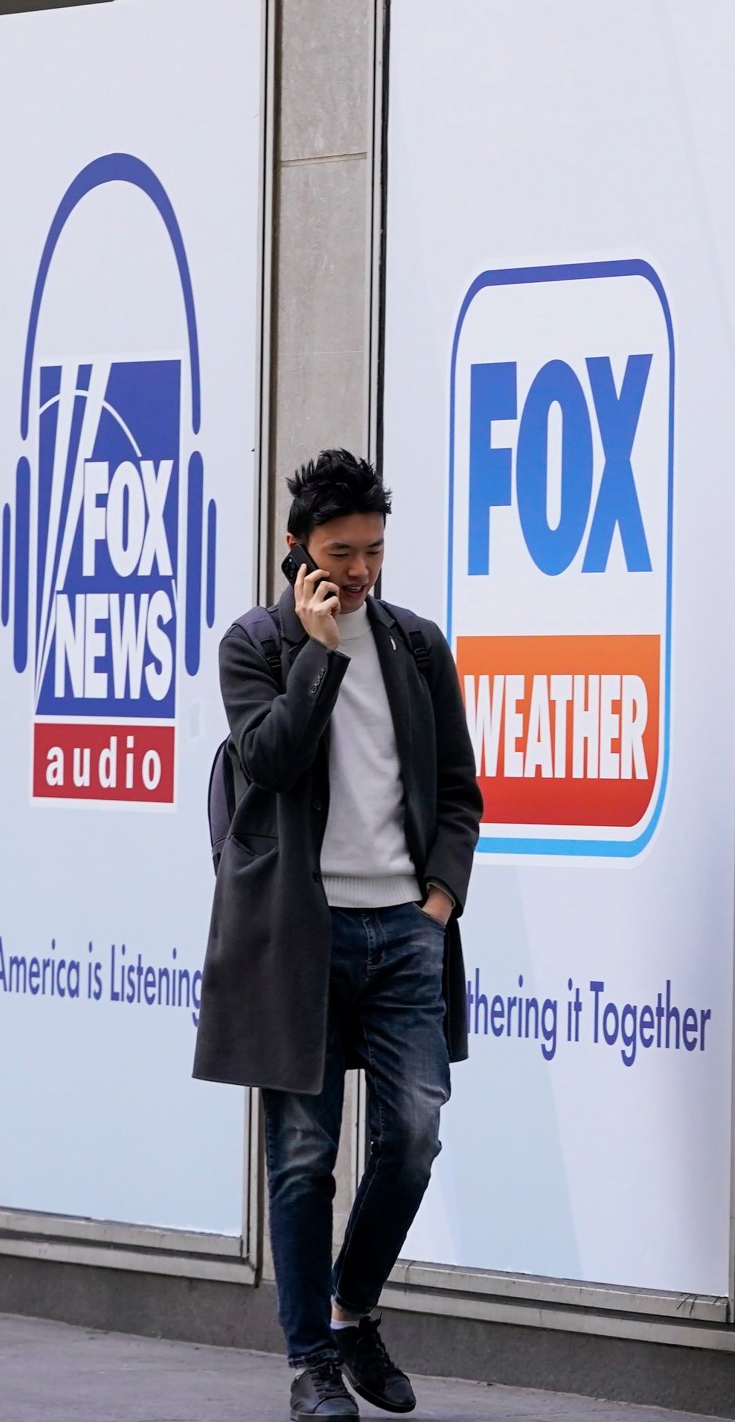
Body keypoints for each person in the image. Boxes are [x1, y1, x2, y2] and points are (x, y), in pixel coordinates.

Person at [196, 448, 482, 1419]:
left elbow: (456, 794)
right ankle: (311, 1361)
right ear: (296, 551)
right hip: (299, 938)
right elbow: (269, 762)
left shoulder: (418, 646)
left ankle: (352, 1313)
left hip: (404, 930)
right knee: (303, 1157)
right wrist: (319, 654)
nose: (359, 571)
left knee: (413, 1134)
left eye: (372, 551)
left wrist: (436, 901)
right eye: (339, 553)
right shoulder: (256, 646)